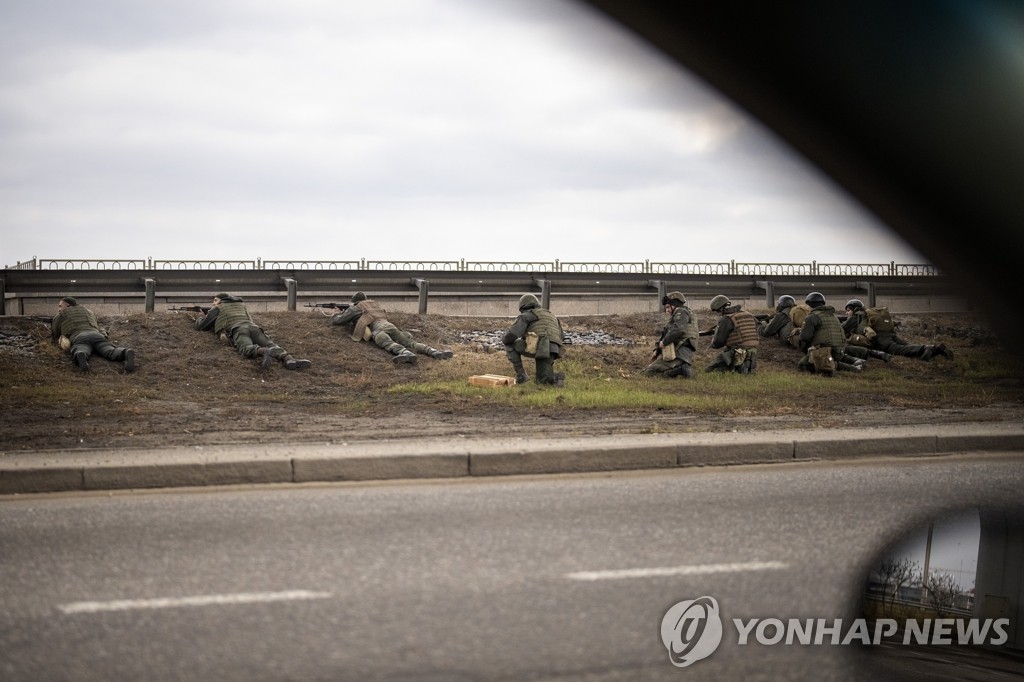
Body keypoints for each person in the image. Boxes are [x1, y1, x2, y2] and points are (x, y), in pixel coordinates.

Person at [194, 293, 311, 369]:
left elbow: (201, 327)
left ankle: (264, 351)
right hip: (254, 328)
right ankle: (289, 359)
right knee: (271, 343)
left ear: (221, 301)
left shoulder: (217, 308)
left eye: (215, 300)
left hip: (238, 329)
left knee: (246, 347)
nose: (213, 303)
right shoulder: (241, 306)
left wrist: (200, 316)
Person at [330, 292, 454, 364]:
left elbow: (338, 321)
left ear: (355, 301)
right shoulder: (374, 305)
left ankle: (406, 353)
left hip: (378, 328)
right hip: (390, 325)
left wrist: (336, 313)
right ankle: (435, 352)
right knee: (411, 342)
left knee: (387, 342)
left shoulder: (356, 307)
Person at [843, 299, 953, 361]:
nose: (846, 313)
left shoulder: (856, 317)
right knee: (907, 346)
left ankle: (926, 348)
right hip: (890, 334)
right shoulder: (867, 314)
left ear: (854, 309)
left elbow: (842, 328)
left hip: (881, 338)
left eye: (848, 310)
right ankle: (936, 349)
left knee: (899, 350)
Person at [50, 296, 135, 372]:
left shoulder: (60, 315)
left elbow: (55, 333)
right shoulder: (88, 312)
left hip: (79, 337)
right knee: (109, 351)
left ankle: (81, 354)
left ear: (68, 305)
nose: (59, 309)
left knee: (81, 348)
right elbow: (96, 325)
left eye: (60, 306)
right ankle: (125, 352)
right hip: (96, 335)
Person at [503, 294, 565, 385]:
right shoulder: (551, 315)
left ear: (523, 307)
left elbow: (512, 335)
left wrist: (504, 338)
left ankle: (521, 375)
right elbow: (561, 336)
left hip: (542, 347)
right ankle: (555, 378)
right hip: (555, 348)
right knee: (543, 376)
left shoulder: (527, 315)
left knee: (542, 382)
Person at [796, 292, 861, 376]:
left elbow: (804, 338)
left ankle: (850, 369)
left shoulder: (812, 317)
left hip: (825, 352)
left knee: (803, 364)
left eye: (808, 305)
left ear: (810, 304)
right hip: (839, 351)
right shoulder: (832, 315)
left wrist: (808, 352)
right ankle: (850, 366)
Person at [641, 291, 698, 378]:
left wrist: (664, 342)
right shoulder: (681, 315)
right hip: (679, 352)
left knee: (648, 373)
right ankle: (678, 370)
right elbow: (667, 334)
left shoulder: (681, 312)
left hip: (678, 352)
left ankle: (681, 369)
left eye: (668, 307)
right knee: (649, 372)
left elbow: (678, 330)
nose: (667, 310)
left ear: (674, 305)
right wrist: (657, 350)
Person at [705, 295, 759, 373]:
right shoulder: (749, 315)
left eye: (717, 311)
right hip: (753, 351)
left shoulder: (726, 319)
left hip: (736, 351)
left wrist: (713, 342)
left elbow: (718, 342)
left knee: (710, 369)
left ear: (720, 309)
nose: (718, 314)